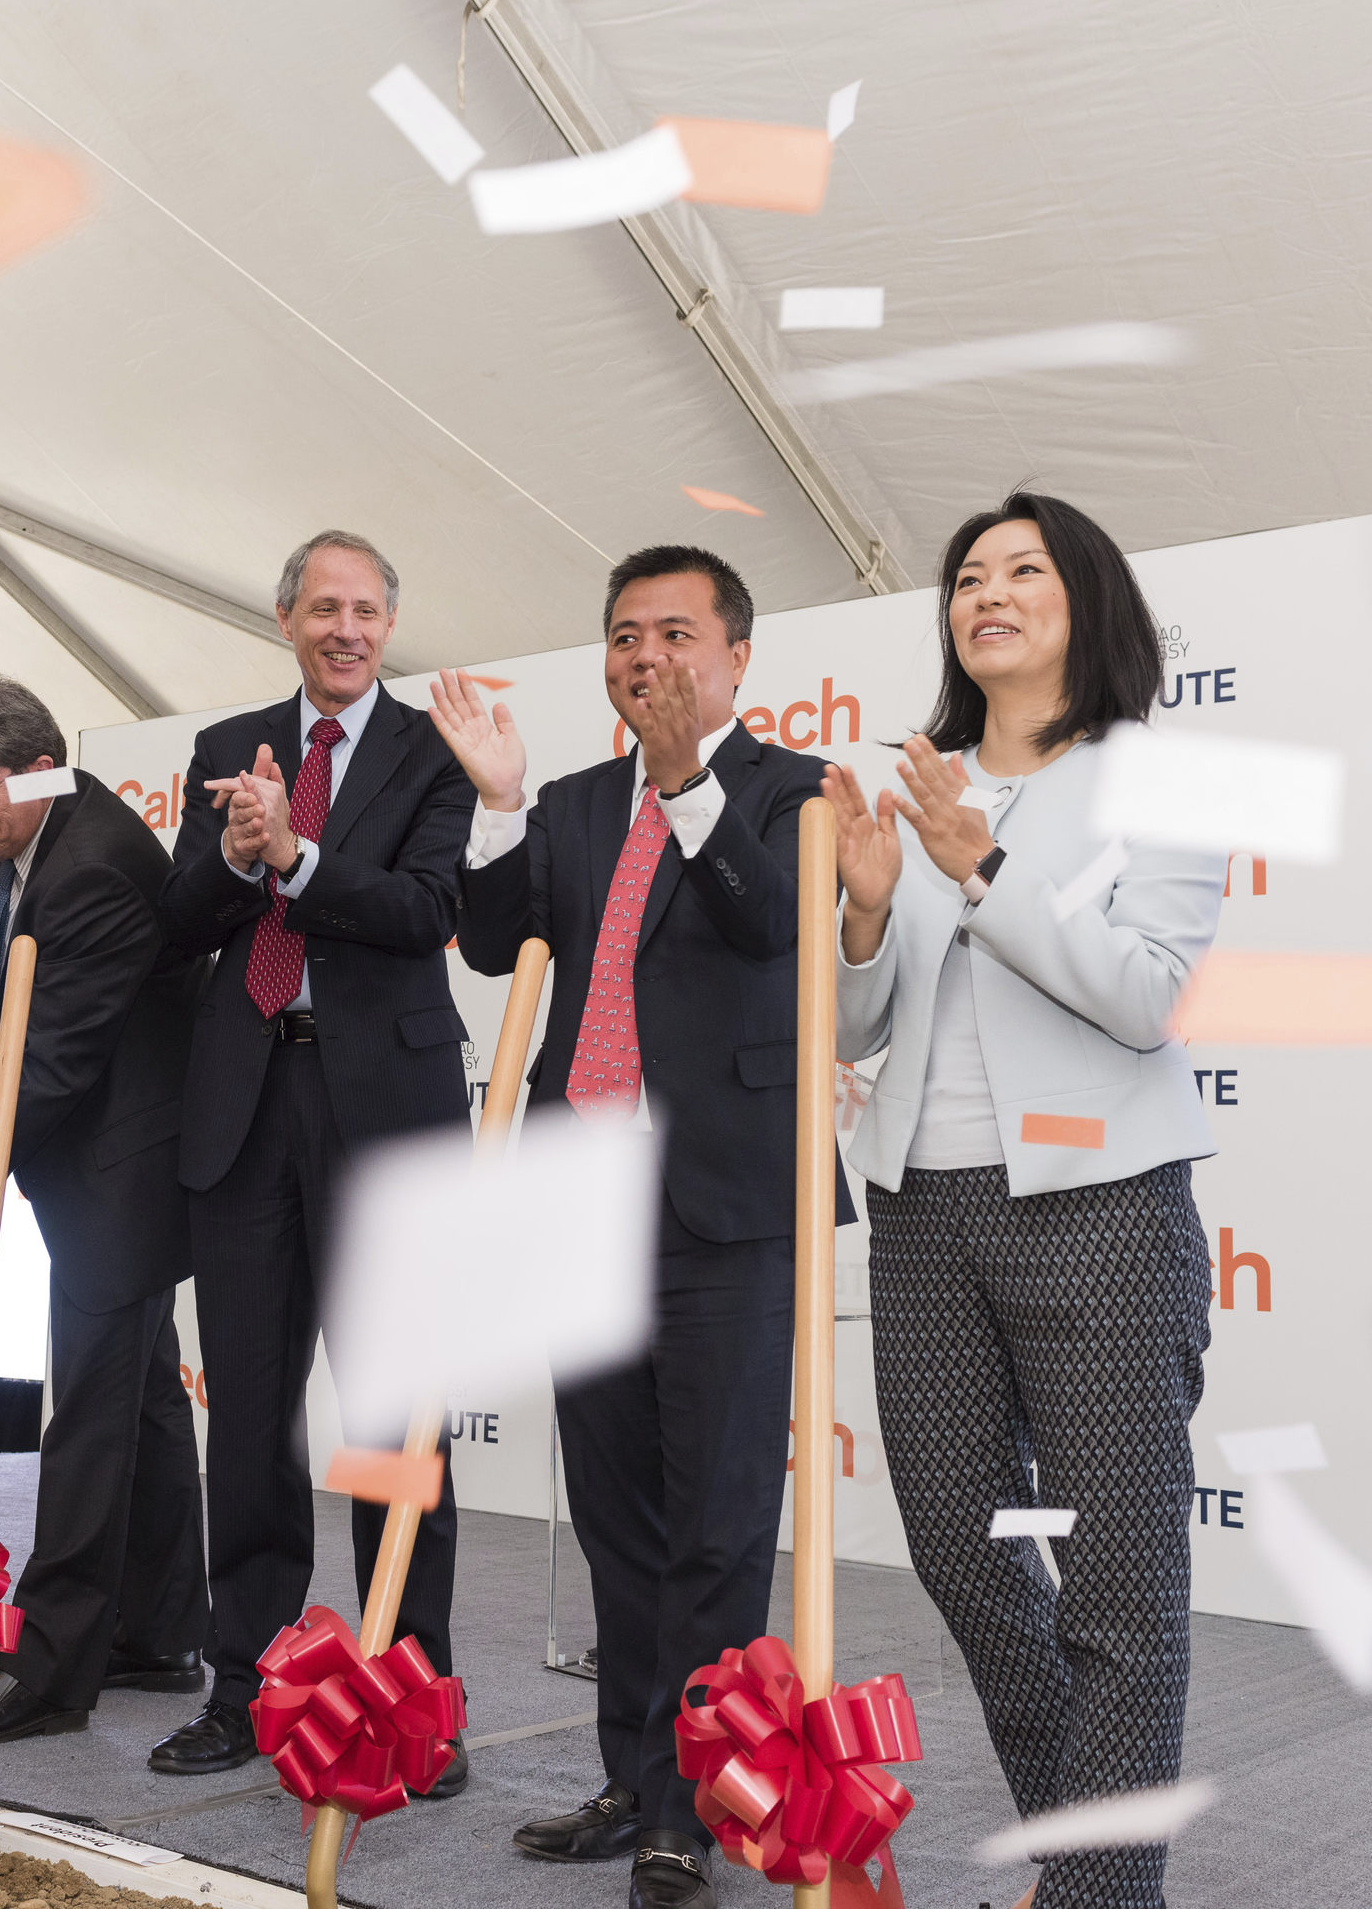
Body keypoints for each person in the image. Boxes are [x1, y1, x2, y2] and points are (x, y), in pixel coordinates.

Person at [827, 494, 1222, 1909]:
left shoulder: (1157, 777)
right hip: (923, 1213)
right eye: (966, 577)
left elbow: (1143, 995)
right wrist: (867, 910)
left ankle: (1096, 1892)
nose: (985, 593)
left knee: (1120, 1584)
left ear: (1087, 599)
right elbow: (860, 1029)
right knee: (961, 1555)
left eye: (1022, 570)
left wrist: (980, 872)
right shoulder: (921, 782)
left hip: (1099, 1209)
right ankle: (1096, 1868)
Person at [434, 545, 842, 1909]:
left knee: (717, 1523)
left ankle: (691, 1807)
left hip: (724, 1203)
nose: (644, 656)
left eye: (674, 632)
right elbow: (493, 939)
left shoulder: (794, 791)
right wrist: (498, 804)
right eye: (623, 635)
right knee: (616, 1519)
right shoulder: (570, 802)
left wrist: (683, 782)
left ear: (737, 656)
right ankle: (631, 1777)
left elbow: (767, 922)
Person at [149, 530, 477, 1789]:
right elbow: (178, 921)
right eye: (324, 607)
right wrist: (238, 857)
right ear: (284, 618)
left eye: (367, 610)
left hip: (384, 1120)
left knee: (395, 1420)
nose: (346, 629)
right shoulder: (227, 745)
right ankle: (244, 1682)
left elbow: (429, 910)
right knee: (247, 1414)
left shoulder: (434, 749)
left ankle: (411, 1693)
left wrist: (298, 855)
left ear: (389, 625)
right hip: (245, 1106)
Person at [0, 674, 210, 1743]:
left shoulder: (97, 862)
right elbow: (17, 931)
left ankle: (53, 1671)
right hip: (97, 1167)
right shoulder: (29, 830)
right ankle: (160, 1632)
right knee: (142, 1403)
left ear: (41, 768)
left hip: (124, 1171)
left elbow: (50, 1068)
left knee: (92, 1420)